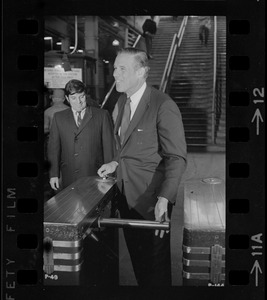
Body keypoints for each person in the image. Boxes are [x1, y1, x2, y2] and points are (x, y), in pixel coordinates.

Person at [97, 48, 187, 286]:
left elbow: (176, 157)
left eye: (122, 68)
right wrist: (115, 162)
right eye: (115, 68)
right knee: (139, 264)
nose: (115, 74)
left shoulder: (162, 105)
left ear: (142, 72)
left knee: (155, 272)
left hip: (151, 204)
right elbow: (127, 146)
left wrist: (165, 198)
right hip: (126, 198)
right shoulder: (121, 102)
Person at [48, 79, 115, 191]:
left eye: (82, 97)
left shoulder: (101, 115)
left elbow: (109, 147)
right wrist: (53, 174)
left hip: (95, 174)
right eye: (73, 98)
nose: (78, 101)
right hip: (68, 176)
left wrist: (109, 174)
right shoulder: (58, 118)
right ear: (67, 99)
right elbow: (53, 149)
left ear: (86, 96)